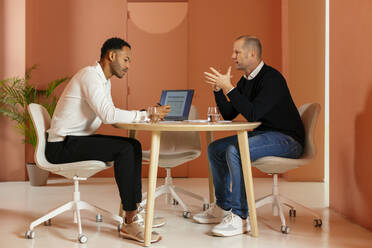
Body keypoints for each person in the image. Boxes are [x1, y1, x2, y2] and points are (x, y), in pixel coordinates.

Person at [45, 37, 170, 243]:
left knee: (133, 145)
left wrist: (143, 113)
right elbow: (109, 116)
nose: (128, 66)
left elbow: (110, 115)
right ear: (111, 56)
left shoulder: (103, 81)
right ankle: (129, 222)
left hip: (75, 140)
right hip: (61, 146)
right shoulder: (90, 76)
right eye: (126, 59)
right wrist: (146, 114)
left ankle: (134, 211)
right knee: (125, 150)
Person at [193, 35, 305, 237]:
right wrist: (219, 90)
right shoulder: (246, 81)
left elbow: (253, 113)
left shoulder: (272, 79)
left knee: (235, 150)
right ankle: (223, 206)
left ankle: (240, 216)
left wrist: (230, 87)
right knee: (215, 149)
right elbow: (229, 113)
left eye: (237, 52)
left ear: (252, 54)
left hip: (287, 140)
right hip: (265, 135)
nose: (232, 56)